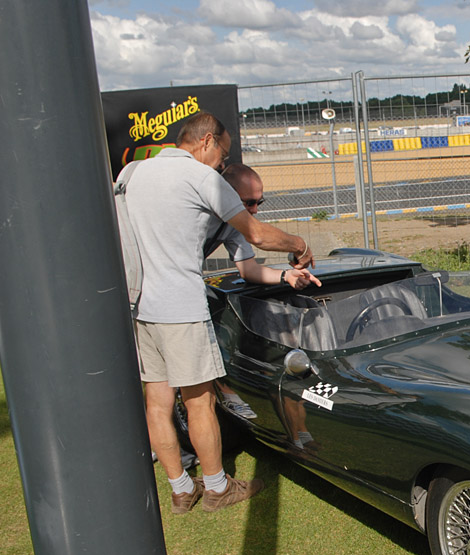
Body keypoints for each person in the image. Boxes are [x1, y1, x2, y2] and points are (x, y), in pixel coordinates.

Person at [125, 110, 315, 514]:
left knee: (157, 403)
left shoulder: (134, 173)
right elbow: (259, 235)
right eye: (222, 155)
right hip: (180, 306)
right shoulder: (202, 178)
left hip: (141, 305)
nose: (222, 164)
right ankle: (216, 486)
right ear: (207, 141)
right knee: (199, 402)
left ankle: (180, 489)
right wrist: (298, 244)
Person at [209, 163, 322, 420]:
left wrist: (286, 276)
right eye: (248, 202)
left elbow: (248, 269)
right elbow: (258, 236)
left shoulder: (232, 223)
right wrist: (300, 245)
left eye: (260, 202)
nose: (254, 210)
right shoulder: (203, 211)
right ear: (226, 194)